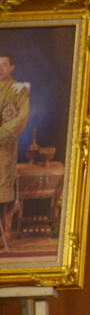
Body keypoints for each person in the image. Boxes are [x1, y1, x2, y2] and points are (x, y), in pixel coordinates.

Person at [0, 53, 30, 250]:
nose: (0, 69)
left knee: (2, 188)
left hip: (4, 149)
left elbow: (21, 117)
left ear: (11, 67)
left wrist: (1, 133)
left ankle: (3, 234)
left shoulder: (19, 90)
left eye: (4, 65)